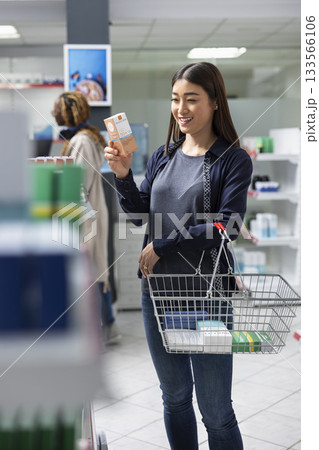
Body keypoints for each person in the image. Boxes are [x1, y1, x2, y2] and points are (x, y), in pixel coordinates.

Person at [104, 62, 252, 449]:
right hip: (157, 296)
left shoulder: (232, 160)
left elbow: (228, 225)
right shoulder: (163, 155)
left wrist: (164, 243)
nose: (181, 108)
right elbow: (139, 217)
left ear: (215, 102)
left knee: (216, 411)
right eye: (175, 99)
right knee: (175, 398)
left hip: (207, 298)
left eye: (192, 99)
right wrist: (122, 176)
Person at [52, 91, 121, 344]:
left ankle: (104, 330)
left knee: (91, 272)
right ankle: (108, 327)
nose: (53, 113)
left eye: (56, 109)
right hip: (89, 214)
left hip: (85, 218)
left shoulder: (81, 141)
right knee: (95, 270)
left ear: (68, 112)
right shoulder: (84, 138)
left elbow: (78, 187)